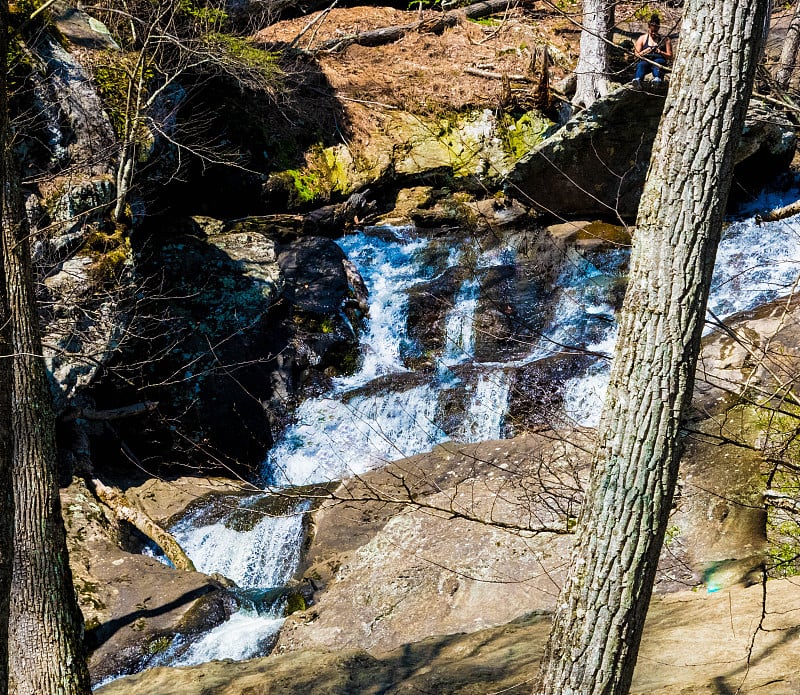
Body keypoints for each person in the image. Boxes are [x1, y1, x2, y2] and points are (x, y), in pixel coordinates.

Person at [632, 15, 672, 87]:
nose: (653, 33)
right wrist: (646, 51)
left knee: (657, 63)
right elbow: (636, 55)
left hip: (659, 61)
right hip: (646, 60)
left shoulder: (665, 40)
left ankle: (657, 79)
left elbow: (670, 56)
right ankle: (637, 79)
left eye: (655, 31)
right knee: (641, 65)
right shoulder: (642, 38)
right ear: (648, 28)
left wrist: (660, 52)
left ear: (659, 28)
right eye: (652, 31)